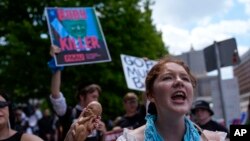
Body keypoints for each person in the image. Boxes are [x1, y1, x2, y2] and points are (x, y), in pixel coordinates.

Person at [115, 56, 227, 141]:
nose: (179, 81)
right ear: (151, 95)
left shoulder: (213, 139)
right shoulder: (130, 139)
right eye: (168, 77)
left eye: (185, 78)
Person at [49, 45, 107, 141]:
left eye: (97, 97)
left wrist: (104, 133)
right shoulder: (69, 112)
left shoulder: (97, 119)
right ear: (82, 96)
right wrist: (57, 63)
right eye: (93, 96)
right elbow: (55, 94)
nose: (96, 100)